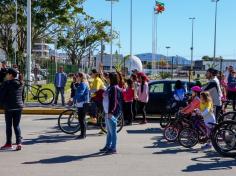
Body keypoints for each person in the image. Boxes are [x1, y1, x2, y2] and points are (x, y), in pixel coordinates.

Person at [0, 68, 24, 151]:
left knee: (9, 126)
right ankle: (19, 143)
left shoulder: (7, 83)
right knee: (16, 125)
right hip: (19, 107)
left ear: (10, 75)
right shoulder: (20, 83)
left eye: (7, 74)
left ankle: (8, 144)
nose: (6, 75)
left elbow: (1, 95)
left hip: (9, 107)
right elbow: (22, 96)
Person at [100, 72, 122, 154]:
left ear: (111, 78)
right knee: (109, 132)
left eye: (108, 77)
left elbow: (115, 102)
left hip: (111, 113)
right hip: (107, 112)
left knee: (113, 132)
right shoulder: (110, 87)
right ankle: (108, 146)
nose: (107, 78)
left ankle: (113, 148)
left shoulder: (115, 88)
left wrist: (111, 112)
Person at [74, 73, 90, 139]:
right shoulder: (82, 84)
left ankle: (83, 135)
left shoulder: (83, 84)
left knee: (82, 120)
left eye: (77, 76)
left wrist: (73, 99)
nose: (76, 78)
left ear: (81, 77)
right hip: (81, 103)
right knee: (81, 120)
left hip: (83, 104)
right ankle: (83, 134)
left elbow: (80, 93)